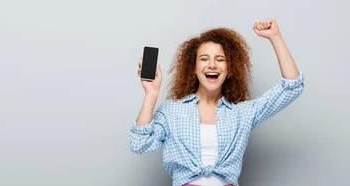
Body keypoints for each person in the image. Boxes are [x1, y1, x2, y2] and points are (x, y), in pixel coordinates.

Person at [129, 19, 304, 186]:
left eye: (220, 59)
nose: (212, 65)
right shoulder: (172, 111)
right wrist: (151, 94)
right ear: (193, 68)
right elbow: (139, 143)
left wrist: (275, 37)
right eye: (204, 59)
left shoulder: (242, 113)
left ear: (229, 69)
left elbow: (292, 87)